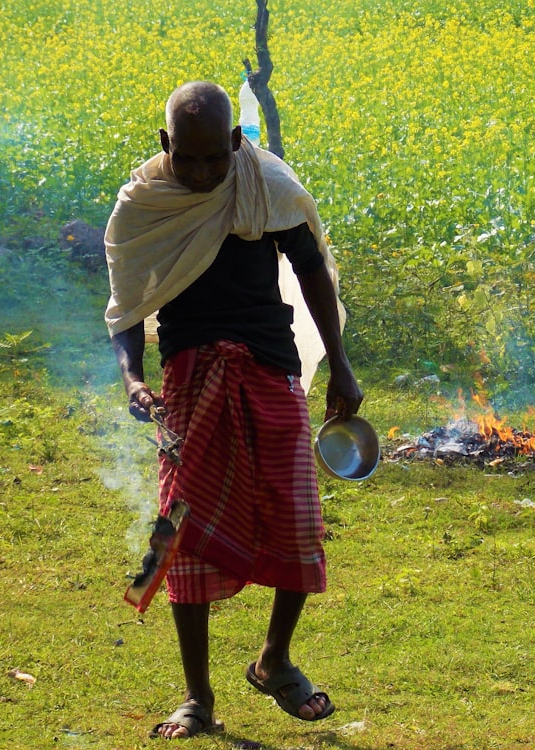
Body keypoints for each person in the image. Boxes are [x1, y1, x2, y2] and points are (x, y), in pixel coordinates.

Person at [104, 80, 363, 739]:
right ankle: (198, 699)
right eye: (185, 159)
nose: (199, 173)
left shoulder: (265, 186)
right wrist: (134, 378)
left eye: (213, 159)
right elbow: (128, 310)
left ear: (236, 143)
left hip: (270, 369)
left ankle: (274, 659)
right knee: (182, 532)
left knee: (300, 519)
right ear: (165, 146)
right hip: (190, 378)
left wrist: (341, 362)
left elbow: (311, 272)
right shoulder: (142, 207)